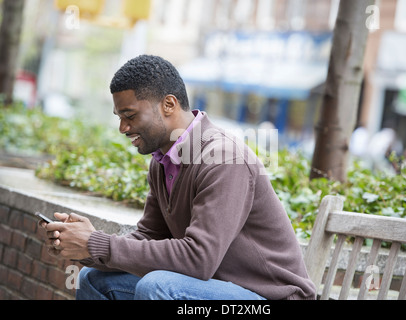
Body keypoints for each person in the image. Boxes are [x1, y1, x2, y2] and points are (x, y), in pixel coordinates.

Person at [40, 55, 316, 300]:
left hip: (268, 297)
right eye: (120, 117)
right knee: (93, 278)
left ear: (168, 105)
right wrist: (83, 247)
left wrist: (97, 244)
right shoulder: (162, 162)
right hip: (211, 288)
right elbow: (150, 236)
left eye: (130, 115)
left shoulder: (223, 158)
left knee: (159, 287)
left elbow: (199, 259)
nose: (123, 128)